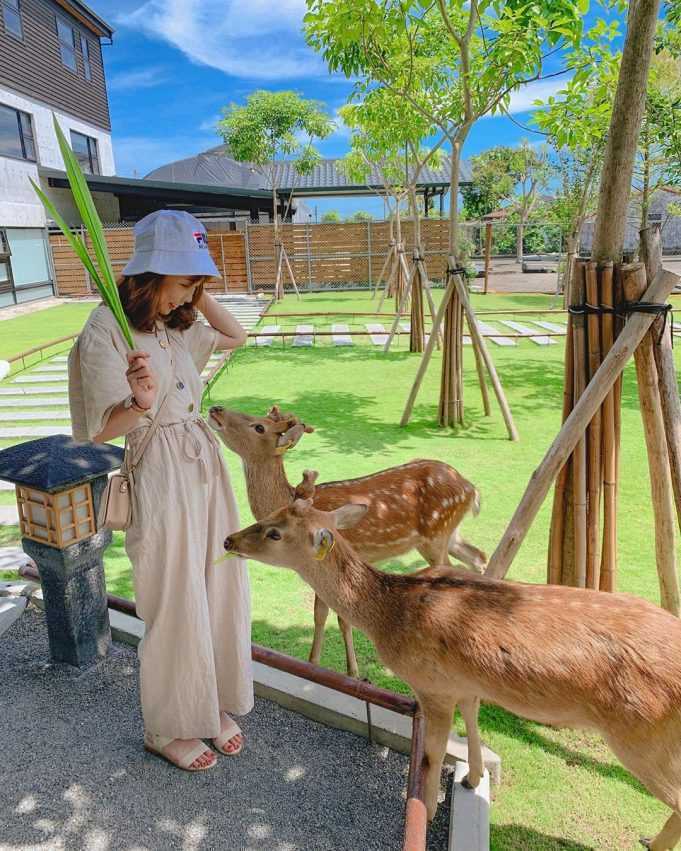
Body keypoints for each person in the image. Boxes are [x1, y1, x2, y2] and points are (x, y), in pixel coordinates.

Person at [68, 210, 253, 771]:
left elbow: (235, 335)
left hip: (204, 467)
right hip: (159, 473)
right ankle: (166, 727)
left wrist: (199, 289)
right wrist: (139, 403)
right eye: (182, 281)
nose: (188, 295)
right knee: (174, 599)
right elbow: (100, 427)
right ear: (148, 275)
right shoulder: (106, 330)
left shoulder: (176, 326)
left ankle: (212, 703)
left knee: (219, 586)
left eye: (196, 283)